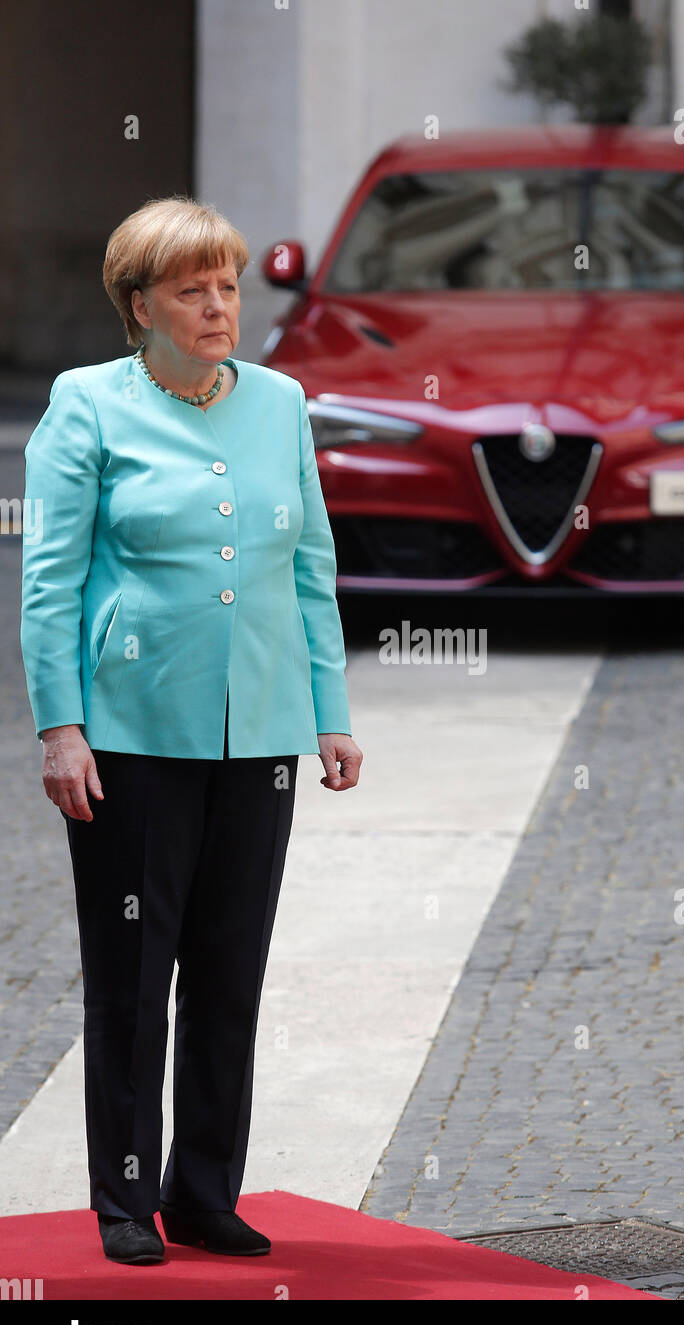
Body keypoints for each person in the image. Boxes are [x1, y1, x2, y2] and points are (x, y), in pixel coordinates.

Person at [19, 194, 362, 1265]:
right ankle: (123, 1196)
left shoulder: (279, 401)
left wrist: (330, 713)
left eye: (227, 287)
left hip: (257, 729)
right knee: (132, 974)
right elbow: (49, 581)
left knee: (229, 968)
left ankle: (204, 1188)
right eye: (191, 290)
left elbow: (309, 566)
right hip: (129, 732)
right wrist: (60, 728)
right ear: (140, 305)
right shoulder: (84, 406)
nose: (218, 308)